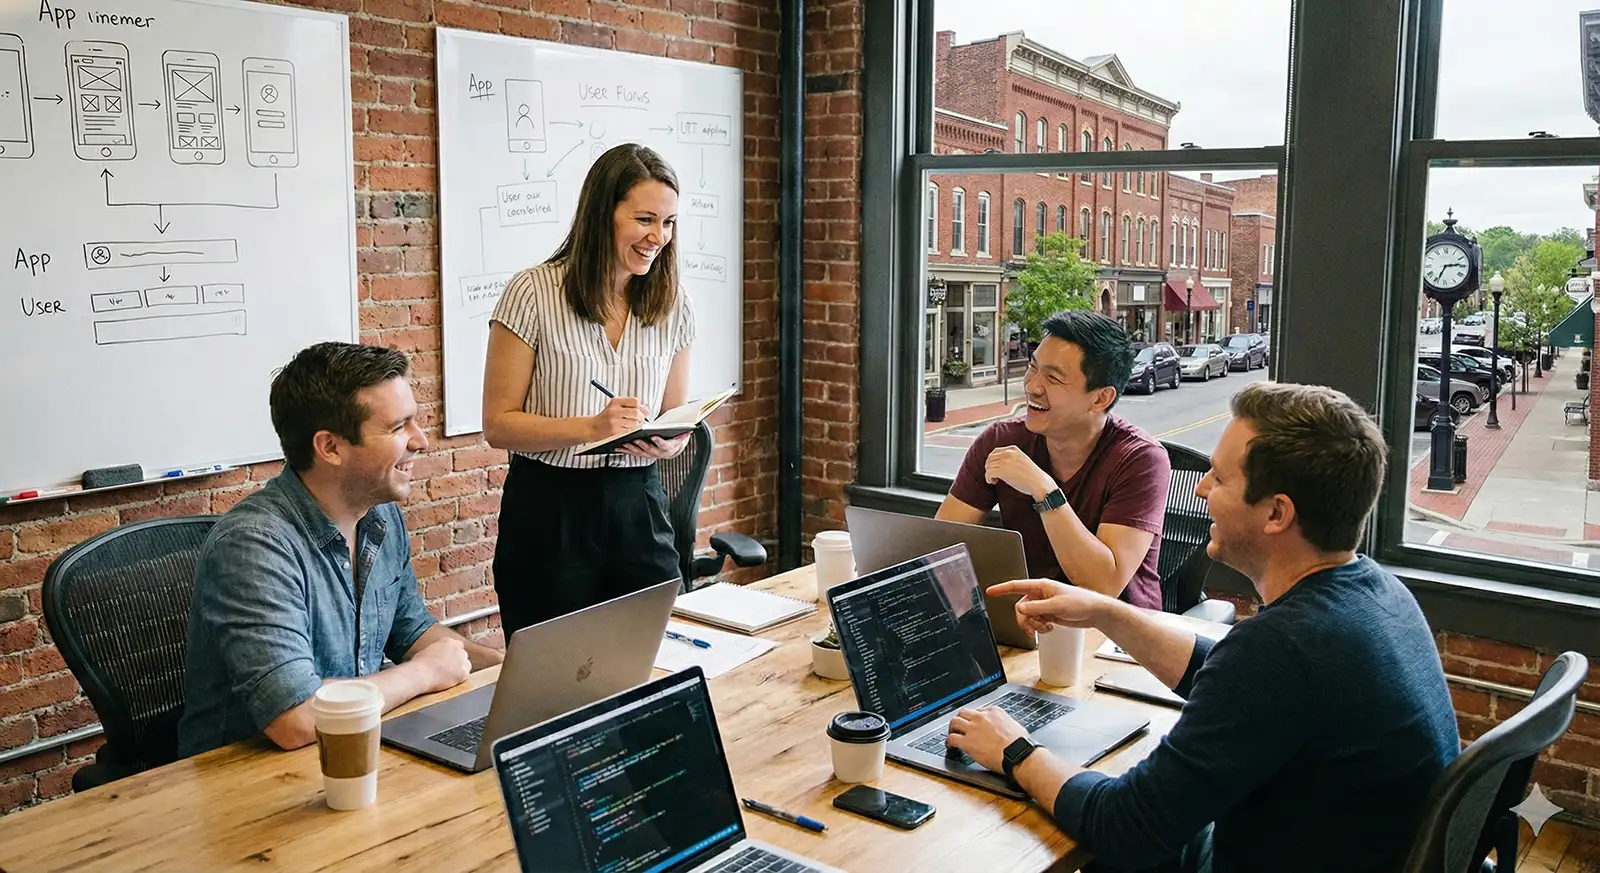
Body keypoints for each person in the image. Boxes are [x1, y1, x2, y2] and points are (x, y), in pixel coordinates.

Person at [945, 382, 1460, 873]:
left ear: (1277, 513)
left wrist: (1015, 751)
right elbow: (1230, 678)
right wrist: (1106, 611)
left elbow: (1127, 826)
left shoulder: (1283, 648)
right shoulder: (1376, 592)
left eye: (1219, 477)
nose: (1203, 488)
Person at [178, 343, 503, 757]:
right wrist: (423, 674)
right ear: (330, 447)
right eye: (398, 427)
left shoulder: (378, 515)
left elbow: (412, 631)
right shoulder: (254, 545)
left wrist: (503, 669)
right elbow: (296, 718)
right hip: (249, 778)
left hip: (349, 751)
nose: (420, 441)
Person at [482, 143, 695, 634]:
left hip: (639, 503)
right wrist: (593, 427)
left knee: (656, 663)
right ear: (603, 213)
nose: (657, 237)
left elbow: (675, 415)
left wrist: (670, 439)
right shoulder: (532, 292)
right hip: (551, 511)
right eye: (644, 218)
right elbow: (498, 425)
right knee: (556, 681)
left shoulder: (673, 303)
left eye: (668, 223)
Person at [936, 310, 1170, 610]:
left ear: (1100, 398)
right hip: (1029, 619)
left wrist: (1045, 491)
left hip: (1115, 638)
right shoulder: (1001, 440)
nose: (1033, 386)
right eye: (1033, 368)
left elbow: (1102, 586)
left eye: (1053, 378)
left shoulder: (1141, 459)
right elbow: (941, 545)